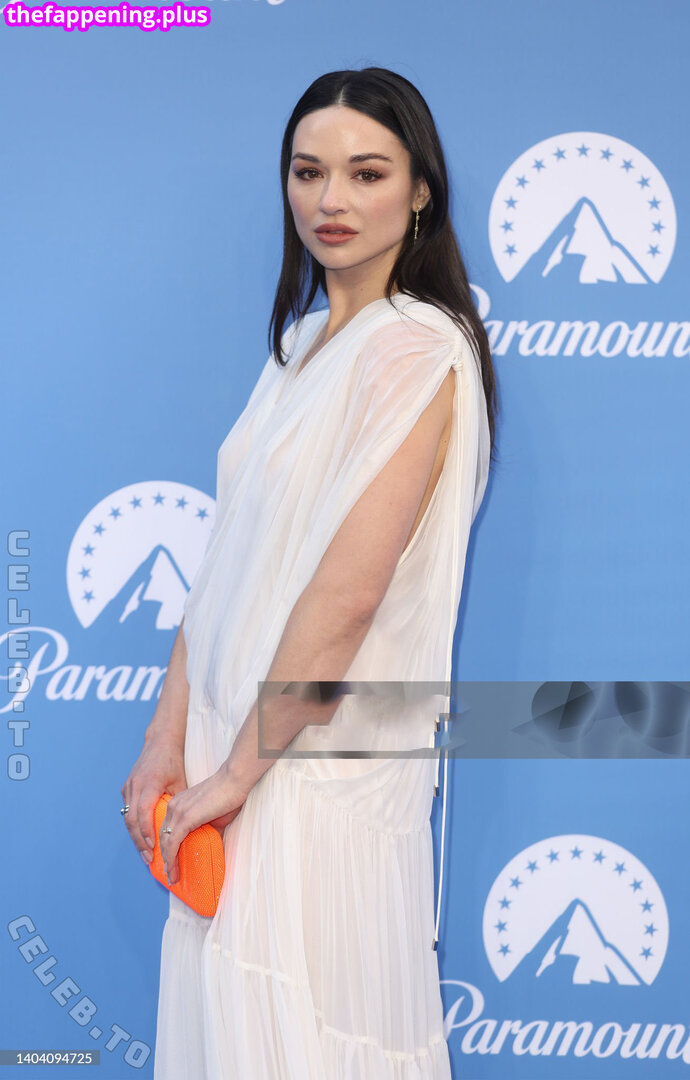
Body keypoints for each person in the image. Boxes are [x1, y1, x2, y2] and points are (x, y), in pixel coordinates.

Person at [121, 66, 499, 1079]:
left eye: (367, 173)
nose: (331, 199)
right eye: (308, 171)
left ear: (420, 192)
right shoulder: (297, 346)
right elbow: (227, 566)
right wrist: (166, 741)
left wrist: (236, 776)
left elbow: (347, 596)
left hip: (314, 772)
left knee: (306, 1038)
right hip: (233, 754)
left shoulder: (417, 349)